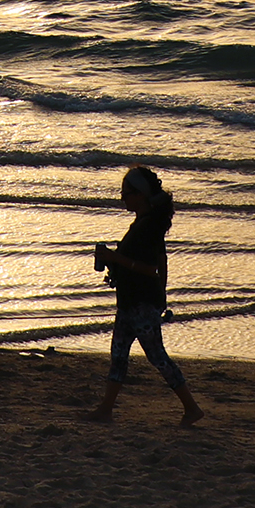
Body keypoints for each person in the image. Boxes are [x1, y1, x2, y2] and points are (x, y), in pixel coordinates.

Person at [87, 164, 206, 425]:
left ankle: (191, 407)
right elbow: (157, 263)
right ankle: (106, 409)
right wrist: (114, 262)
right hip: (131, 301)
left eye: (127, 193)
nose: (123, 198)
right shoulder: (143, 224)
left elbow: (151, 267)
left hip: (142, 302)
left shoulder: (149, 227)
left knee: (156, 356)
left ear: (140, 194)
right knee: (118, 355)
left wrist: (113, 257)